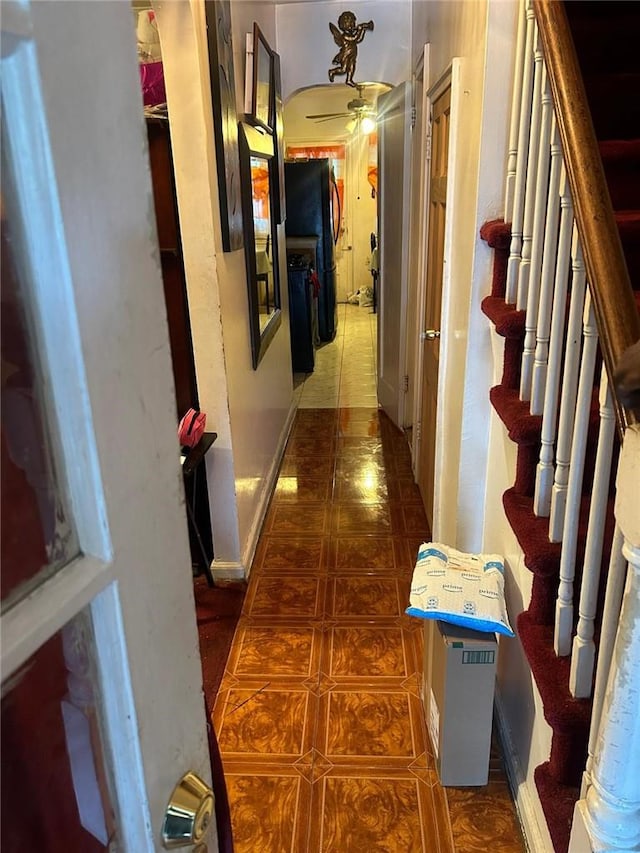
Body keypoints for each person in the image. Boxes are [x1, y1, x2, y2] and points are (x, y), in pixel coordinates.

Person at [328, 12, 374, 87]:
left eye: (353, 23)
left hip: (353, 54)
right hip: (346, 54)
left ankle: (349, 79)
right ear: (344, 25)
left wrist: (363, 30)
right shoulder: (345, 36)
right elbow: (355, 38)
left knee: (352, 66)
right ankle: (332, 72)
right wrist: (360, 30)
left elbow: (359, 39)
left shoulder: (352, 34)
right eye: (351, 24)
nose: (353, 25)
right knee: (343, 69)